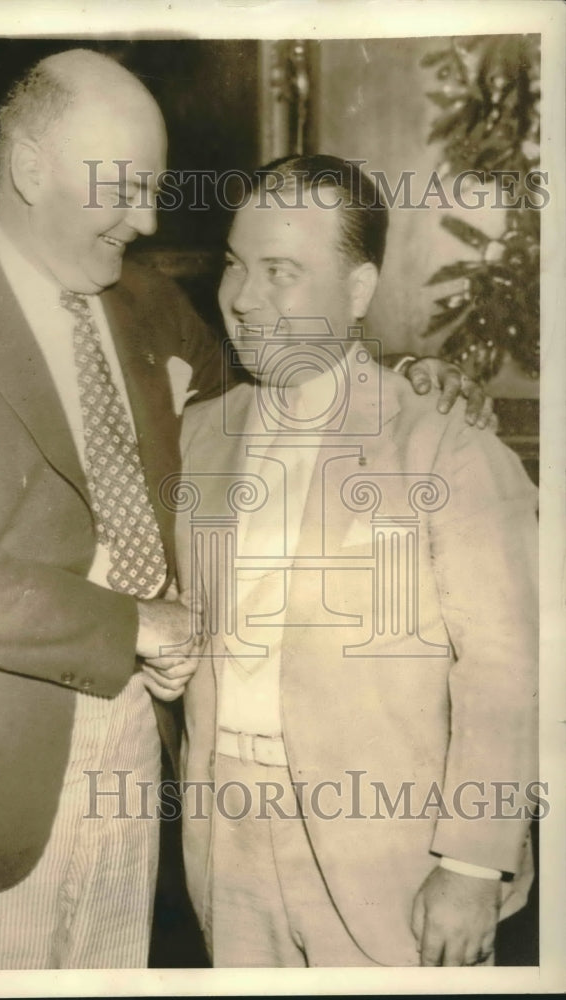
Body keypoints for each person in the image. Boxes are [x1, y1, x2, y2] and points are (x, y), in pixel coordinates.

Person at [0, 51, 488, 970]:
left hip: (141, 755)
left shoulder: (151, 305)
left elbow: (277, 403)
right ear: (32, 168)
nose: (146, 218)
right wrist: (135, 622)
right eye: (129, 187)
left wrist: (403, 377)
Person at [176, 155, 538, 968]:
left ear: (359, 290)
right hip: (222, 837)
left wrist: (472, 865)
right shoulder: (200, 434)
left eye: (281, 272)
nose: (243, 298)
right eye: (236, 264)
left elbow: (509, 670)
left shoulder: (447, 446)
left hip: (395, 862)